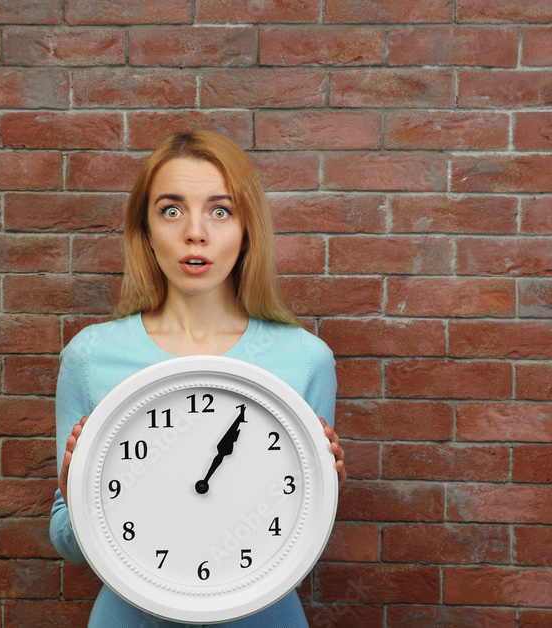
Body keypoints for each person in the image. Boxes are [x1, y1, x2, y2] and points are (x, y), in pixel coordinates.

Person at [51, 130, 346, 627]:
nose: (195, 232)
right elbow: (67, 543)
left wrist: (319, 503)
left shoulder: (304, 359)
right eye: (171, 210)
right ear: (144, 230)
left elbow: (294, 552)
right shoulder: (91, 356)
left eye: (220, 210)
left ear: (247, 227)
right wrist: (78, 496)